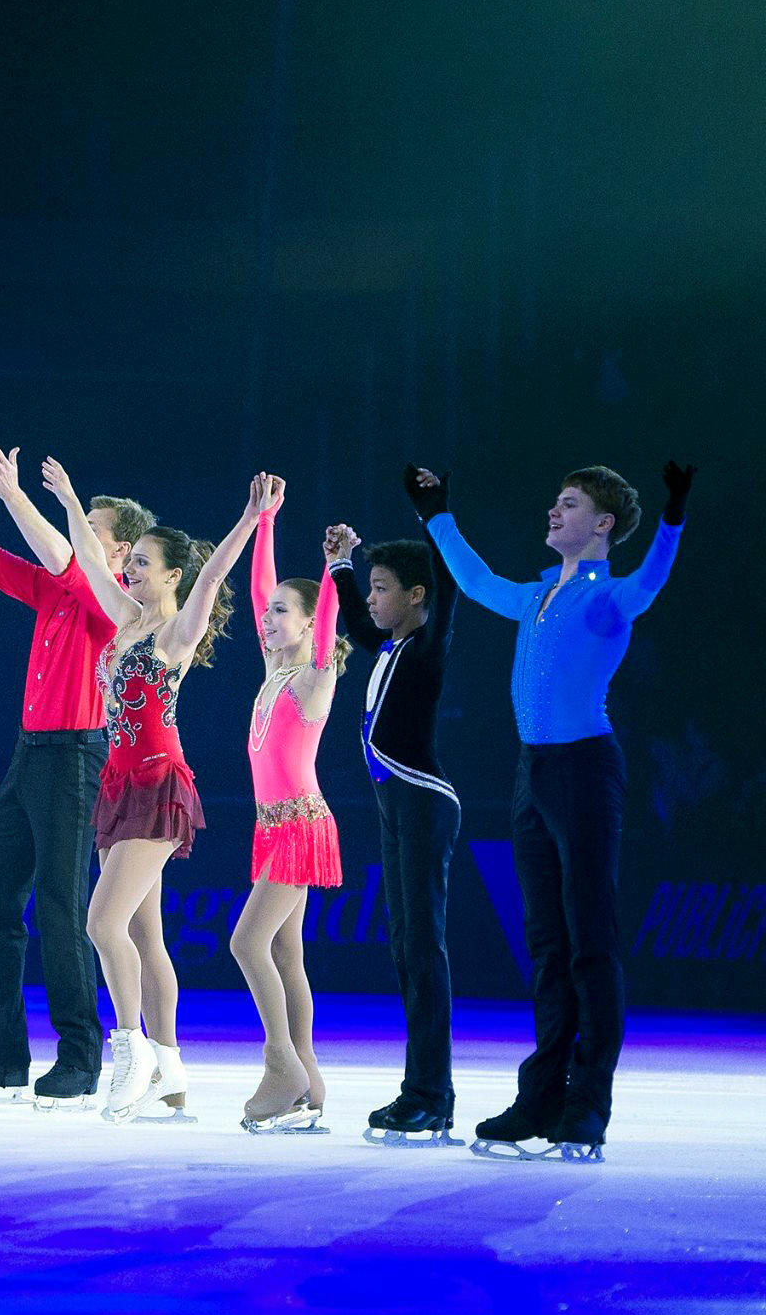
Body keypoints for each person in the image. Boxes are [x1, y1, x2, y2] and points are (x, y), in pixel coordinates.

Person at [414, 460, 692, 1161]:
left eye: (568, 504)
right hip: (532, 772)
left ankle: (587, 1103)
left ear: (602, 524)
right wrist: (436, 514)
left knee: (590, 940)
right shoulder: (537, 593)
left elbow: (653, 579)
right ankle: (540, 1096)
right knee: (546, 943)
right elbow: (476, 581)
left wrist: (672, 517)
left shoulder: (610, 597)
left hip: (585, 771)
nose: (553, 511)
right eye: (555, 501)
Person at [0, 426, 152, 1109]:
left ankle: (79, 1055)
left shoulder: (113, 599)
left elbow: (59, 549)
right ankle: (2, 1051)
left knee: (60, 903)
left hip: (77, 756)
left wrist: (15, 494)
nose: (77, 533)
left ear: (117, 551)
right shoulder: (56, 589)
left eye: (91, 528)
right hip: (29, 753)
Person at [73, 474, 268, 1123]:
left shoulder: (175, 634)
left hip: (158, 785)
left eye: (141, 563)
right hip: (118, 784)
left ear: (172, 575)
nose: (127, 570)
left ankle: (131, 1051)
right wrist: (70, 502)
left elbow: (212, 578)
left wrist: (249, 519)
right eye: (128, 561)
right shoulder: (126, 621)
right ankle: (172, 1070)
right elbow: (88, 560)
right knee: (142, 933)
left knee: (102, 924)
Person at [324, 522, 463, 1147]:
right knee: (406, 947)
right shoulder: (389, 646)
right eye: (371, 588)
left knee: (423, 948)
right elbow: (357, 623)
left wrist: (435, 518)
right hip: (395, 804)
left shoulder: (426, 647)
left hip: (423, 800)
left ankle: (430, 1094)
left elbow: (449, 592)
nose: (372, 599)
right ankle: (423, 1091)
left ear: (416, 595)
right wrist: (342, 566)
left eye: (382, 588)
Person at [231, 479, 350, 1133]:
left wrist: (334, 572)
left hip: (300, 825)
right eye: (269, 611)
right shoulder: (273, 673)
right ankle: (308, 1076)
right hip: (274, 827)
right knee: (283, 953)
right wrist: (265, 521)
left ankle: (281, 1063)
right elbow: (257, 591)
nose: (268, 617)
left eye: (283, 612)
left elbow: (327, 635)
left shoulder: (312, 678)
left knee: (246, 941)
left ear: (308, 623)